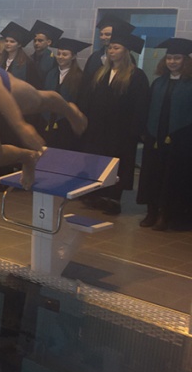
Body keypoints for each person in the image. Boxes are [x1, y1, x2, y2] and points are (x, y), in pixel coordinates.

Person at [80, 31, 150, 215]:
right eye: (110, 47)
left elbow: (140, 105)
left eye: (116, 48)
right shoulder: (101, 73)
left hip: (121, 131)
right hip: (98, 129)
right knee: (99, 161)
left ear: (126, 52)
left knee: (118, 164)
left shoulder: (136, 76)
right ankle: (98, 195)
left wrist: (134, 130)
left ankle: (113, 198)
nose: (111, 51)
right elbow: (90, 99)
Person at [137, 37, 192, 231]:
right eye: (169, 58)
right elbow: (147, 108)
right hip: (155, 138)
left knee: (171, 178)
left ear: (186, 60)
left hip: (180, 140)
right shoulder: (158, 83)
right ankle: (151, 212)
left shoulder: (189, 84)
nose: (172, 62)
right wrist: (145, 132)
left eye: (177, 58)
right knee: (152, 175)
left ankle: (166, 214)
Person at [41, 37, 89, 151]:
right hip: (48, 121)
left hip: (66, 123)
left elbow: (81, 103)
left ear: (73, 57)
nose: (60, 57)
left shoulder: (80, 77)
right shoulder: (50, 74)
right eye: (59, 54)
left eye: (65, 54)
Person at [84, 14, 135, 87]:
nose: (103, 37)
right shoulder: (94, 57)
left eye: (107, 34)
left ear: (116, 35)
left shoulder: (128, 58)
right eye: (101, 34)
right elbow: (85, 81)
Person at [30, 20, 63, 87]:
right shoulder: (29, 58)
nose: (36, 43)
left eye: (40, 41)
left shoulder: (54, 60)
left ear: (49, 42)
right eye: (35, 40)